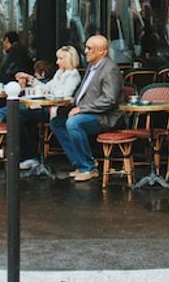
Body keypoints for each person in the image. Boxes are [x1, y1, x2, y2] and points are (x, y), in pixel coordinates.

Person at [50, 34, 123, 181]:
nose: (85, 51)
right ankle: (79, 162)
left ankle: (88, 167)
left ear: (102, 51)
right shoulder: (92, 67)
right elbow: (83, 92)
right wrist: (71, 103)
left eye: (89, 48)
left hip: (106, 117)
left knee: (74, 123)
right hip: (90, 112)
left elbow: (109, 100)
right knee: (57, 122)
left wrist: (82, 109)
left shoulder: (110, 69)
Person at [15, 47, 81, 170]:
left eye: (60, 59)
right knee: (17, 114)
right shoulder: (59, 73)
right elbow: (46, 88)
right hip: (49, 107)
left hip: (58, 110)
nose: (57, 62)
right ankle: (29, 156)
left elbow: (63, 95)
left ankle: (30, 157)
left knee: (18, 114)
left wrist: (48, 93)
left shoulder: (73, 75)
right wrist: (31, 79)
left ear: (69, 59)